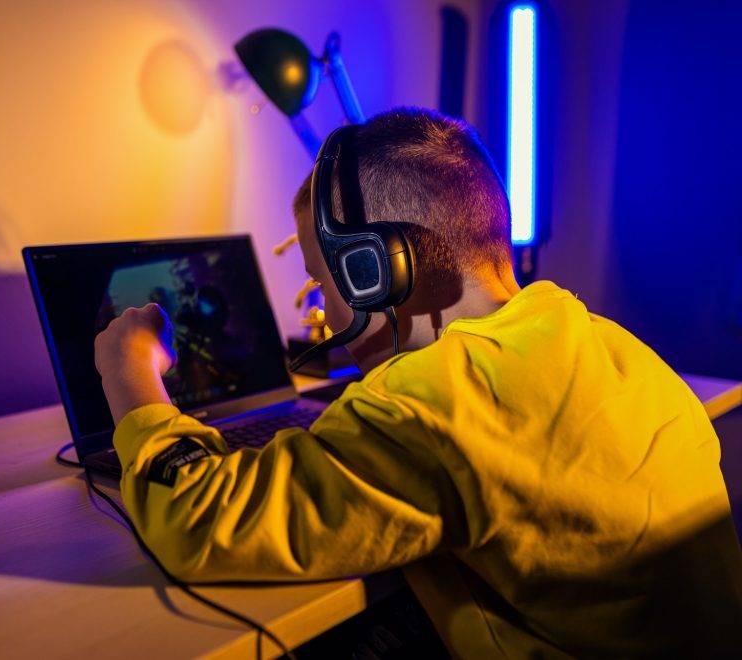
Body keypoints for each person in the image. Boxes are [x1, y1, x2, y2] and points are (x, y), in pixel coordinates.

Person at [93, 108, 742, 657]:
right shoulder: (599, 337)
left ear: (375, 270)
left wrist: (131, 377)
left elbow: (195, 523)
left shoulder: (434, 397)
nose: (319, 306)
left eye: (321, 280)